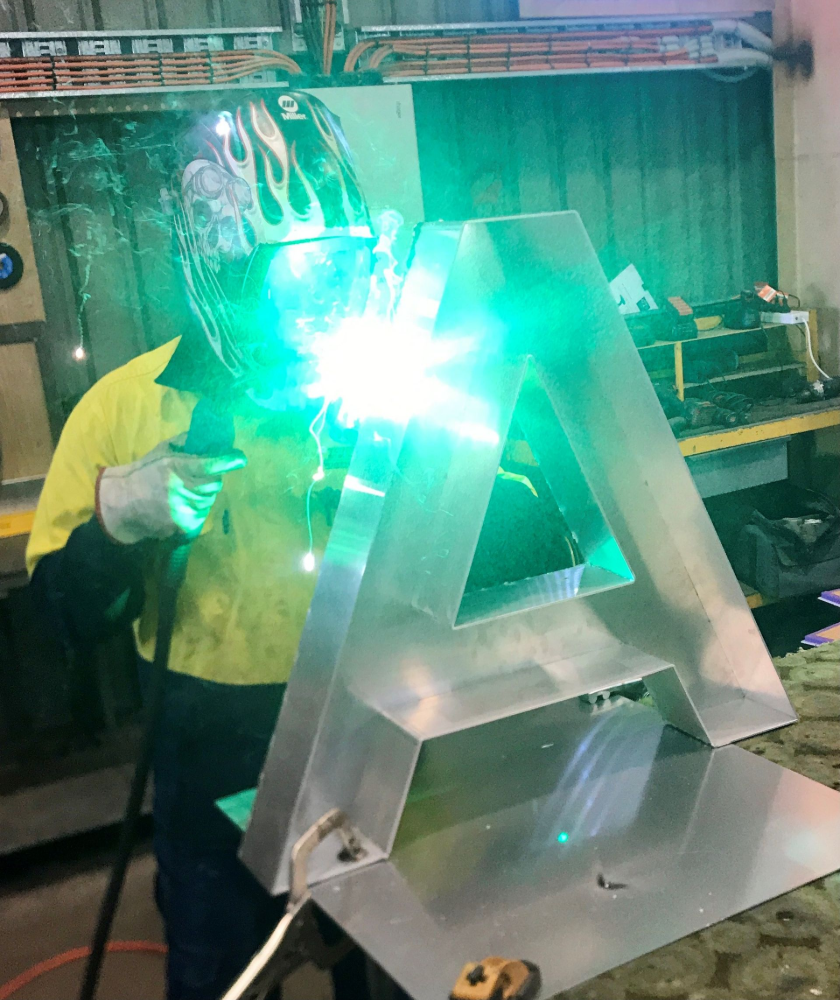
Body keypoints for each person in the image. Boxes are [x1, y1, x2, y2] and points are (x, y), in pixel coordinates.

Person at [27, 92, 576, 1000]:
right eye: (297, 278)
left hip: (381, 728)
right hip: (212, 752)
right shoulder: (126, 409)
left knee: (406, 966)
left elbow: (518, 538)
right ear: (222, 267)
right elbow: (56, 628)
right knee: (223, 974)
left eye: (342, 271)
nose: (322, 306)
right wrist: (115, 520)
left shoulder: (388, 384)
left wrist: (456, 427)